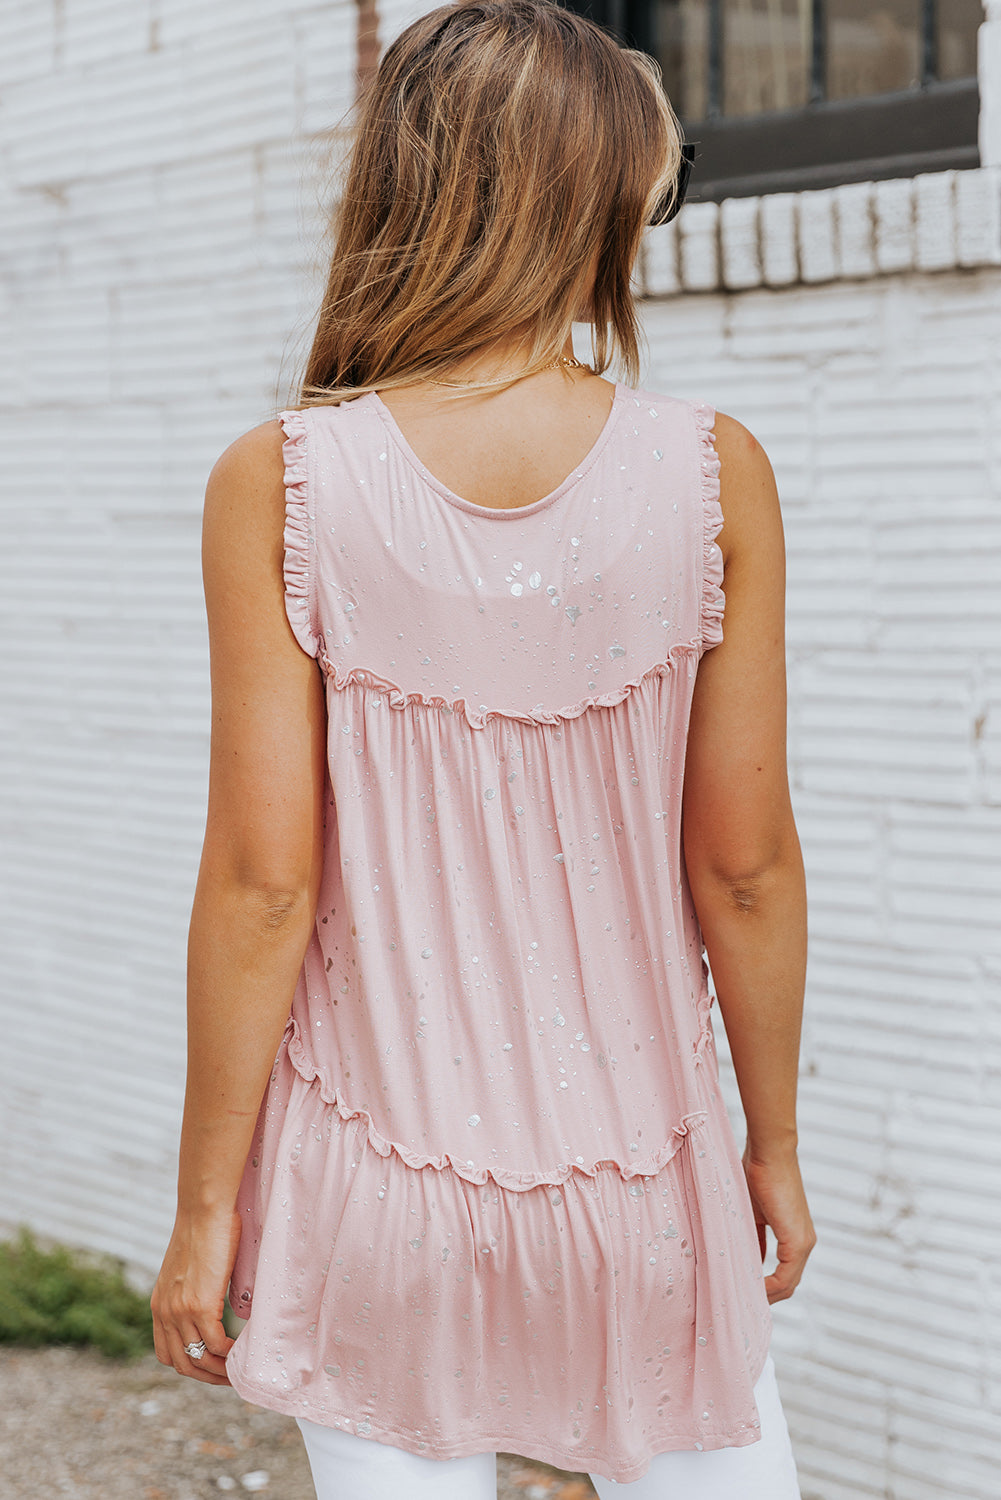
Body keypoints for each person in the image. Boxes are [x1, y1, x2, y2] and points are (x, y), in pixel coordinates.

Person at [150, 1, 816, 1495]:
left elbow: (263, 883)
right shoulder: (713, 474)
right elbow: (747, 868)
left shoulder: (281, 480)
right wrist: (766, 1144)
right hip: (639, 1177)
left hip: (374, 1181)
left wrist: (205, 1206)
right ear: (595, 202)